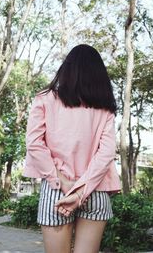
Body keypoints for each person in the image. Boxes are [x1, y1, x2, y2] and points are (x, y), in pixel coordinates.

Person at [23, 44, 121, 253]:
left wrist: (63, 181)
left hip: (57, 191)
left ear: (67, 69)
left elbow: (34, 144)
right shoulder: (106, 109)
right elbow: (106, 155)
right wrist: (82, 191)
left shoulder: (45, 99)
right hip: (96, 190)